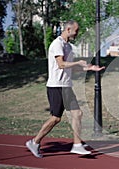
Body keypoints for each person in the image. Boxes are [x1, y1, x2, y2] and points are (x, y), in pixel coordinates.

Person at [25, 20, 105, 158]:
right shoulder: (58, 44)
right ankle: (34, 142)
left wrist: (89, 68)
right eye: (76, 30)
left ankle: (77, 145)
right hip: (56, 86)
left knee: (77, 114)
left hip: (66, 86)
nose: (77, 33)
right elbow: (61, 64)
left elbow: (71, 68)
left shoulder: (68, 46)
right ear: (68, 29)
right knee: (55, 118)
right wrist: (78, 62)